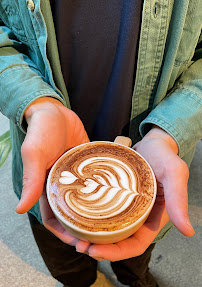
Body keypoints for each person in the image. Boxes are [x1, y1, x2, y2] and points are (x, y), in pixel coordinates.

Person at [0, 0, 201, 286]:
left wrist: (169, 130)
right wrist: (37, 104)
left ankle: (134, 277)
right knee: (65, 261)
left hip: (149, 171)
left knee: (135, 261)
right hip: (46, 166)